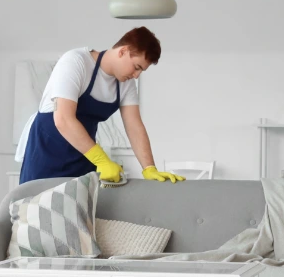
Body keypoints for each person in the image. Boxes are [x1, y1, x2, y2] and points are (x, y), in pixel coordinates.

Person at [18, 27, 184, 185]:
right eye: (137, 67)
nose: (136, 75)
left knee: (80, 213)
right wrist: (102, 160)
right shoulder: (76, 61)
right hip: (46, 156)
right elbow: (63, 119)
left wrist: (149, 168)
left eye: (141, 71)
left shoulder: (125, 84)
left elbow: (134, 126)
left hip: (83, 157)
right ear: (123, 51)